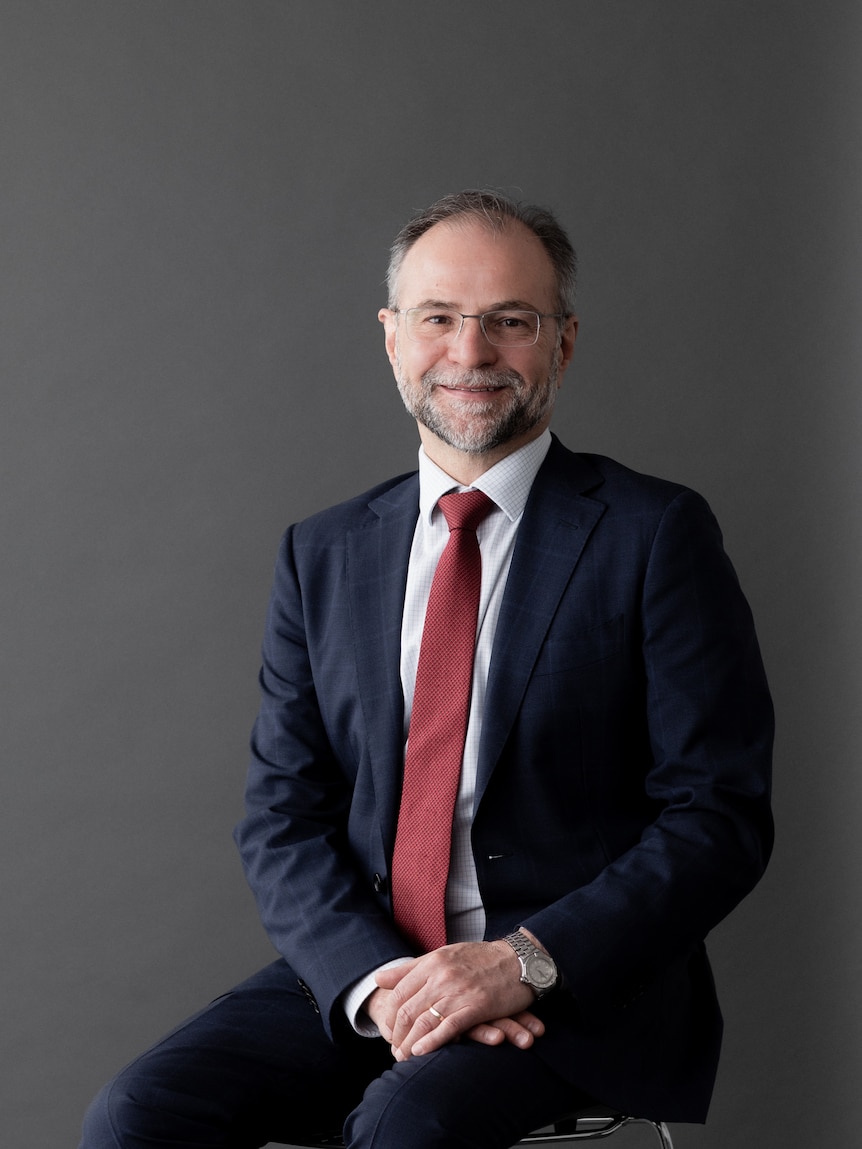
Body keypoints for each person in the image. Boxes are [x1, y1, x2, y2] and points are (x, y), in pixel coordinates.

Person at [80, 190, 774, 1148]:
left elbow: (719, 816)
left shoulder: (655, 535)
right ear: (392, 338)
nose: (471, 352)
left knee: (410, 1124)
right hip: (374, 963)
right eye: (439, 318)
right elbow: (281, 816)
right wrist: (381, 988)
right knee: (138, 1113)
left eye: (509, 322)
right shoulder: (321, 552)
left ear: (563, 342)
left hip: (576, 981)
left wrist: (520, 962)